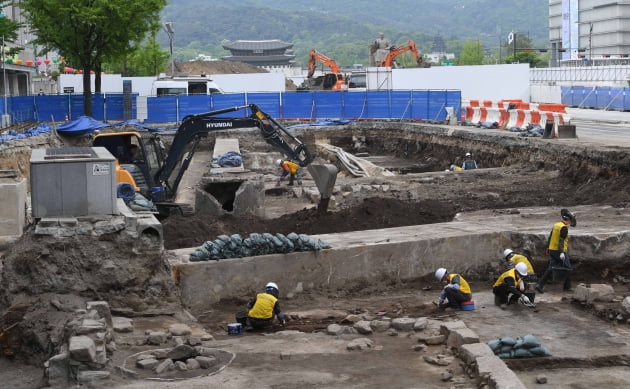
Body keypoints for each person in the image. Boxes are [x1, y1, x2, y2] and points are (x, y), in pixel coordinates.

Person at [536, 209, 576, 294]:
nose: (570, 222)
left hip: (552, 250)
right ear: (568, 220)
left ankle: (540, 285)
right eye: (570, 221)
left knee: (551, 267)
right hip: (559, 251)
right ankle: (567, 287)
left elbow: (551, 236)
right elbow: (561, 241)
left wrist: (548, 248)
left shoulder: (556, 225)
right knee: (568, 267)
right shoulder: (564, 228)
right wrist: (561, 252)